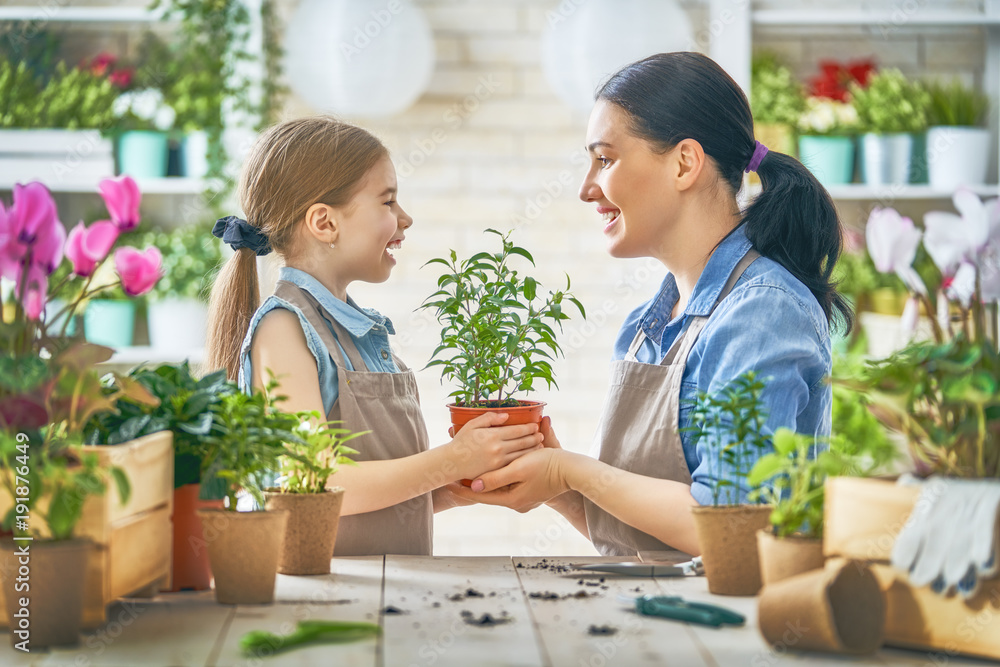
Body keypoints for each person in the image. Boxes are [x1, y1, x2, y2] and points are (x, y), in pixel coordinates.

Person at [450, 52, 852, 557]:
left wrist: (572, 471)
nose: (585, 188)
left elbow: (731, 530)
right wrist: (559, 490)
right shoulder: (647, 326)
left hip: (732, 625)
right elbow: (639, 543)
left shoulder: (761, 314)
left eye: (605, 159)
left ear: (685, 162)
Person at [205, 116, 544, 556]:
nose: (405, 218)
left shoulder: (360, 332)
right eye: (387, 203)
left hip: (382, 592)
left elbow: (372, 498)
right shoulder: (284, 329)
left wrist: (454, 487)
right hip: (326, 599)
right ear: (324, 223)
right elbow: (317, 480)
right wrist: (452, 459)